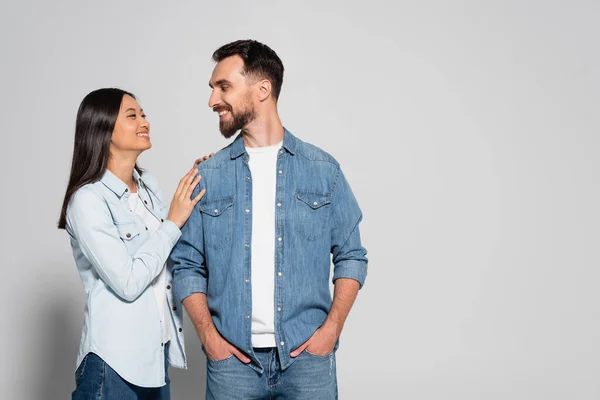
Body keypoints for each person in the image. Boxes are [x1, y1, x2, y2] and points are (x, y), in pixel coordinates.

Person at [170, 40, 368, 399]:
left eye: (224, 87)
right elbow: (185, 266)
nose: (212, 100)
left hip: (308, 362)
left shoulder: (323, 171)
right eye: (213, 89)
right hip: (232, 366)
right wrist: (210, 339)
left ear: (263, 89)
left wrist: (331, 329)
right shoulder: (208, 176)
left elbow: (352, 255)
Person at [58, 88, 205, 399]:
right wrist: (173, 222)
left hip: (156, 355)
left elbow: (170, 254)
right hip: (113, 363)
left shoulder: (149, 185)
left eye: (143, 114)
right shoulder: (87, 200)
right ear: (104, 128)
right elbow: (127, 282)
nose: (144, 121)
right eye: (132, 115)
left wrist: (206, 179)